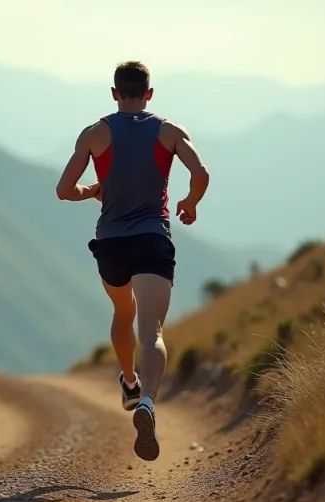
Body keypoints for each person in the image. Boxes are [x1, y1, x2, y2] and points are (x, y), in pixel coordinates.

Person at [55, 60, 210, 461]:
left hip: (111, 243)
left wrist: (94, 190)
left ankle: (128, 382)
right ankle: (147, 404)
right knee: (152, 330)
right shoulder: (170, 131)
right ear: (150, 94)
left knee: (123, 312)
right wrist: (189, 204)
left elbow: (63, 190)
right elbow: (201, 172)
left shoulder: (94, 134)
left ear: (113, 93)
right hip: (152, 239)